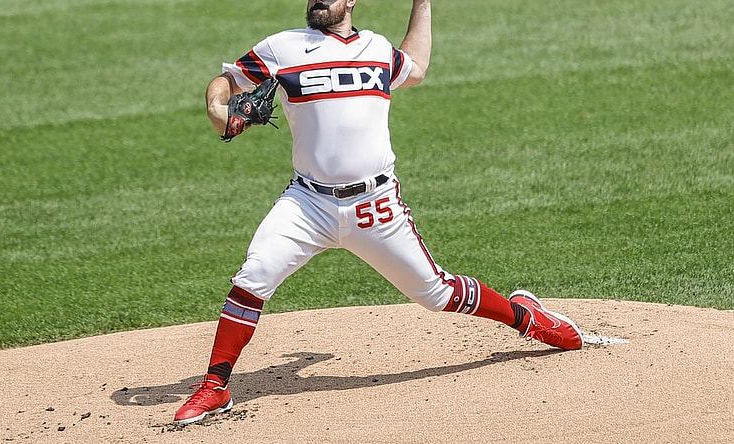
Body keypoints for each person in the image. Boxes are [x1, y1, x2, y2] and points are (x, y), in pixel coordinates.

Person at [174, 0, 583, 425]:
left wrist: (422, 3)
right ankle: (214, 388)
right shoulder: (283, 48)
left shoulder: (377, 48)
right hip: (308, 203)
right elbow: (225, 81)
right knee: (253, 277)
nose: (316, 1)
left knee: (437, 293)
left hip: (375, 204)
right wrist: (216, 108)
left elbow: (417, 67)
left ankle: (525, 316)